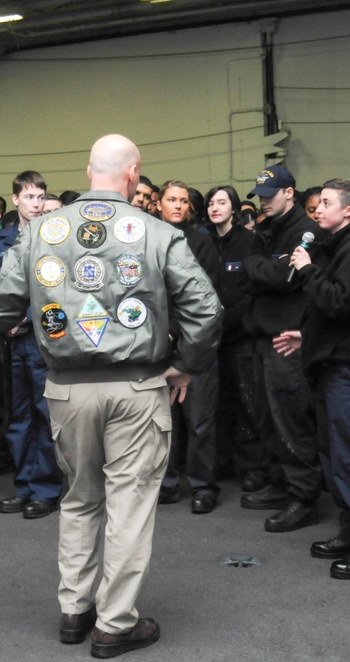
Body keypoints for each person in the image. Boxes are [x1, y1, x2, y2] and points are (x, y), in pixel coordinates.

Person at [0, 134, 222, 658]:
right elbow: (207, 311)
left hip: (66, 388)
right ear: (134, 172)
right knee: (130, 506)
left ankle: (74, 611)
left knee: (79, 498)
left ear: (89, 170)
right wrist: (184, 367)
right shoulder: (159, 233)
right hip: (137, 386)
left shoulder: (40, 230)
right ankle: (114, 624)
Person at [284, 179, 350, 579]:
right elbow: (333, 309)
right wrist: (305, 334)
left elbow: (341, 302)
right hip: (333, 367)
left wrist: (307, 271)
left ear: (349, 211)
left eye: (326, 203)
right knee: (335, 459)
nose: (318, 209)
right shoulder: (337, 247)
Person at [240, 165, 325, 533]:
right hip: (262, 334)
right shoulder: (267, 230)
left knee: (291, 418)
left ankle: (304, 496)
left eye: (270, 194)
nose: (264, 201)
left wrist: (256, 268)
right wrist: (262, 269)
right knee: (266, 417)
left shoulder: (304, 231)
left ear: (290, 192)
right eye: (260, 195)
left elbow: (287, 277)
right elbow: (260, 275)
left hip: (286, 339)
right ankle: (281, 482)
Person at [0, 171, 62, 520]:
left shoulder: (54, 237)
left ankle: (46, 489)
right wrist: (5, 322)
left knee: (45, 417)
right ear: (15, 200)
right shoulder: (1, 241)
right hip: (10, 342)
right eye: (29, 197)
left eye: (40, 197)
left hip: (40, 339)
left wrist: (26, 318)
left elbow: (58, 287)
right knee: (18, 418)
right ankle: (24, 485)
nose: (36, 203)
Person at [157, 180, 222, 514]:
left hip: (195, 346)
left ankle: (202, 485)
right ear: (159, 203)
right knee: (162, 420)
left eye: (183, 200)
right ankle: (166, 484)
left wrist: (174, 331)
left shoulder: (202, 243)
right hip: (159, 347)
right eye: (172, 199)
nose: (178, 206)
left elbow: (206, 301)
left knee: (199, 420)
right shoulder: (148, 239)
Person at [205, 184, 268, 494]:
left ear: (234, 208)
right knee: (216, 404)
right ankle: (221, 461)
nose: (216, 208)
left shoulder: (249, 242)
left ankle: (252, 467)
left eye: (222, 202)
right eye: (211, 203)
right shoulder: (202, 243)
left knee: (247, 402)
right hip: (208, 338)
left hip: (240, 335)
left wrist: (226, 324)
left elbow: (250, 292)